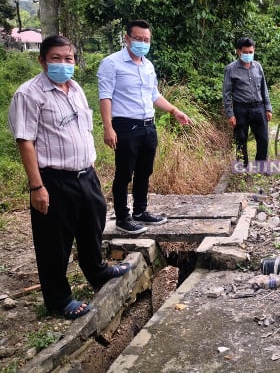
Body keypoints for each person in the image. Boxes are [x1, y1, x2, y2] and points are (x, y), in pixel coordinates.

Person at [8, 35, 131, 320]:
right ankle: (58, 299)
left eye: (69, 59)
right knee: (54, 242)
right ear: (42, 60)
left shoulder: (75, 88)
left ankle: (97, 272)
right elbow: (25, 141)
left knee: (92, 226)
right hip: (53, 179)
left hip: (85, 174)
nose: (64, 64)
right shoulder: (29, 94)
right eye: (56, 59)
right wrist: (36, 186)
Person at [98, 20, 192, 235]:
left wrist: (174, 110)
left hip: (148, 126)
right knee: (124, 174)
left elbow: (154, 95)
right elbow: (105, 96)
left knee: (144, 172)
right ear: (127, 38)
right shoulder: (111, 63)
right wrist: (108, 127)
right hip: (125, 126)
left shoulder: (148, 65)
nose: (142, 43)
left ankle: (140, 212)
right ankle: (123, 217)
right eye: (138, 39)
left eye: (146, 40)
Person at [222, 37, 273, 167]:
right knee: (241, 139)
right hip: (241, 110)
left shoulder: (258, 67)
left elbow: (264, 88)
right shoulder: (231, 69)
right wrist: (230, 114)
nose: (248, 55)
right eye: (246, 52)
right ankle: (242, 167)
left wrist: (268, 108)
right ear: (239, 51)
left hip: (259, 108)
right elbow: (226, 93)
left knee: (263, 139)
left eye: (251, 52)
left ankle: (261, 166)